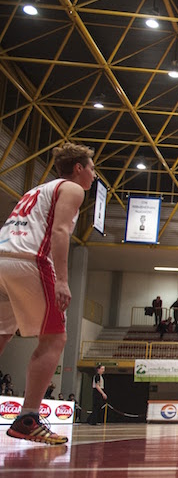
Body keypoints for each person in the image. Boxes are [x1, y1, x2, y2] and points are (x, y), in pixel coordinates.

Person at [0, 142, 94, 445]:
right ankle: (28, 418)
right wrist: (63, 281)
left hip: (3, 258)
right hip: (30, 261)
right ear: (78, 168)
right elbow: (60, 232)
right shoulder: (72, 189)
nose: (94, 174)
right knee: (55, 338)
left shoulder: (36, 190)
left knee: (2, 334)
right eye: (92, 168)